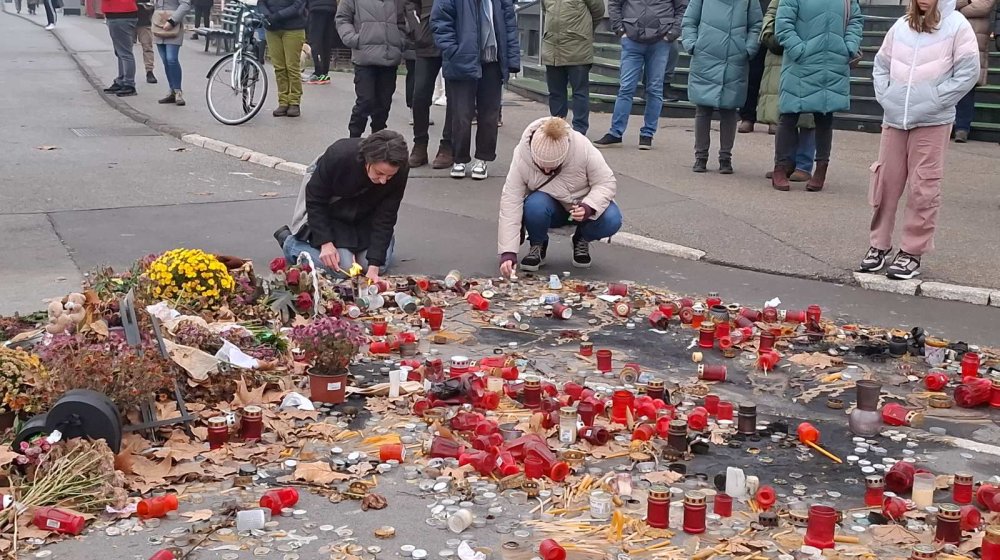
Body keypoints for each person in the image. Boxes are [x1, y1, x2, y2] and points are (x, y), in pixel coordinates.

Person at [860, 0, 978, 279]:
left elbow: (968, 73)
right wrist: (887, 97)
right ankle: (879, 245)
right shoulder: (900, 26)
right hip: (894, 119)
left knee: (924, 187)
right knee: (885, 183)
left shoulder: (959, 26)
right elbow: (881, 64)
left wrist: (936, 100)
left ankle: (911, 251)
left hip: (933, 121)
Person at [274, 130, 410, 281]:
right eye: (379, 173)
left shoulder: (401, 169)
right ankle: (291, 244)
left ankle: (377, 248)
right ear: (368, 160)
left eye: (389, 176)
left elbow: (386, 216)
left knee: (376, 265)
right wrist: (325, 243)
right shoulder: (339, 155)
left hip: (365, 216)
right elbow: (315, 200)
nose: (384, 180)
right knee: (343, 268)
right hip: (334, 213)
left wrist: (374, 266)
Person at [498, 117, 621, 275]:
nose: (547, 171)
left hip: (582, 207)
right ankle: (538, 243)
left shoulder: (582, 146)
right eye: (542, 166)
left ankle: (582, 238)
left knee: (612, 219)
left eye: (553, 166)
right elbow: (511, 201)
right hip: (550, 207)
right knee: (534, 205)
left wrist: (589, 207)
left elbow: (606, 182)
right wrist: (508, 252)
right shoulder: (521, 156)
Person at [771, 0, 862, 192]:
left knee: (824, 117)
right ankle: (780, 167)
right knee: (788, 115)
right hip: (800, 64)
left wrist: (848, 47)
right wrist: (799, 50)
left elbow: (855, 19)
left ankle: (821, 169)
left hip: (833, 62)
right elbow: (783, 24)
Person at [432, 0, 520, 180]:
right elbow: (440, 22)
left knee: (489, 115)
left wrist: (511, 59)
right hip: (461, 61)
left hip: (493, 62)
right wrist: (454, 51)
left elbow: (510, 26)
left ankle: (482, 159)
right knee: (461, 114)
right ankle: (460, 159)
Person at [682, 0, 762, 173]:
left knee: (729, 109)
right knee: (703, 108)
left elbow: (756, 25)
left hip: (734, 58)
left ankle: (725, 157)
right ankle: (700, 156)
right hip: (705, 56)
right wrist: (692, 44)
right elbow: (689, 20)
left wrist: (748, 49)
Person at [593, 0, 681, 150]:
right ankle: (615, 133)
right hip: (632, 39)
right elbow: (614, 3)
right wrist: (620, 30)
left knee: (654, 89)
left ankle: (647, 134)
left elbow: (682, 7)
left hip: (661, 40)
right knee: (626, 87)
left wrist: (672, 33)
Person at [757, 0, 815, 182]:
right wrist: (770, 35)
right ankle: (785, 162)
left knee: (808, 114)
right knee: (785, 112)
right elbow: (771, 16)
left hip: (808, 54)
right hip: (781, 57)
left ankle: (804, 165)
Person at [336, 0, 406, 137]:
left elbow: (401, 21)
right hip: (364, 58)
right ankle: (354, 139)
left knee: (384, 104)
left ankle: (377, 139)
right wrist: (352, 38)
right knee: (365, 101)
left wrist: (400, 41)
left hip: (389, 57)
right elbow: (343, 18)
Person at [541, 0, 604, 135]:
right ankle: (558, 129)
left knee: (579, 93)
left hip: (578, 48)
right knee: (556, 93)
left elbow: (598, 11)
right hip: (552, 49)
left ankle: (579, 131)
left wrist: (585, 32)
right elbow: (546, 11)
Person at [405, 0, 453, 168]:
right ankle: (420, 145)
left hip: (455, 39)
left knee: (455, 98)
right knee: (420, 95)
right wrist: (416, 28)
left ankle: (447, 146)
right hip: (426, 38)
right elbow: (409, 4)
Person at [952, 0, 996, 142]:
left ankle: (962, 128)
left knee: (967, 84)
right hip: (950, 33)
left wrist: (956, 8)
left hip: (975, 35)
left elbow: (984, 6)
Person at [260, 0, 307, 117]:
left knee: (292, 67)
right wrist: (267, 15)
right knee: (279, 67)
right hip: (272, 28)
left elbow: (298, 4)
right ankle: (283, 101)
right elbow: (261, 2)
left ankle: (294, 102)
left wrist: (278, 16)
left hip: (293, 28)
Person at [738, 0, 771, 132]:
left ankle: (773, 118)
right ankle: (747, 118)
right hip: (754, 29)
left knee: (774, 80)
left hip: (776, 29)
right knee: (751, 76)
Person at [152, 0, 190, 106]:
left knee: (171, 59)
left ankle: (178, 91)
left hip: (173, 25)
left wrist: (172, 20)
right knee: (165, 60)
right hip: (158, 24)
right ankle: (172, 90)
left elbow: (185, 4)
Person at [101, 0, 140, 97]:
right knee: (121, 52)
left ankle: (129, 84)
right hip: (122, 14)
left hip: (119, 14)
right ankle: (122, 80)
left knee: (124, 53)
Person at [303, 0, 338, 83]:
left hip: (317, 7)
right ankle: (325, 72)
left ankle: (318, 72)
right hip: (331, 7)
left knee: (316, 40)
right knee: (326, 40)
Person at [136, 2, 158, 84]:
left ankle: (149, 71)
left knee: (147, 47)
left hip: (144, 19)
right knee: (126, 50)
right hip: (127, 17)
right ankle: (126, 74)